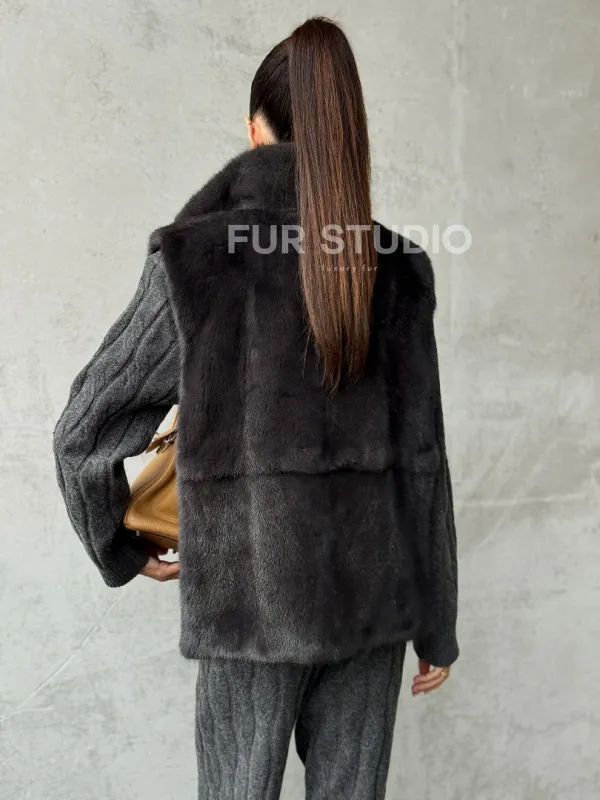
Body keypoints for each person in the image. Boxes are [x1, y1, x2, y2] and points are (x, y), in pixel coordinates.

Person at [53, 16, 459, 800]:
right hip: (373, 605)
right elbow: (425, 462)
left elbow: (83, 433)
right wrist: (437, 621)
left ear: (253, 130)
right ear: (347, 135)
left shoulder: (197, 258)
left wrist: (120, 546)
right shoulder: (398, 268)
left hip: (251, 608)